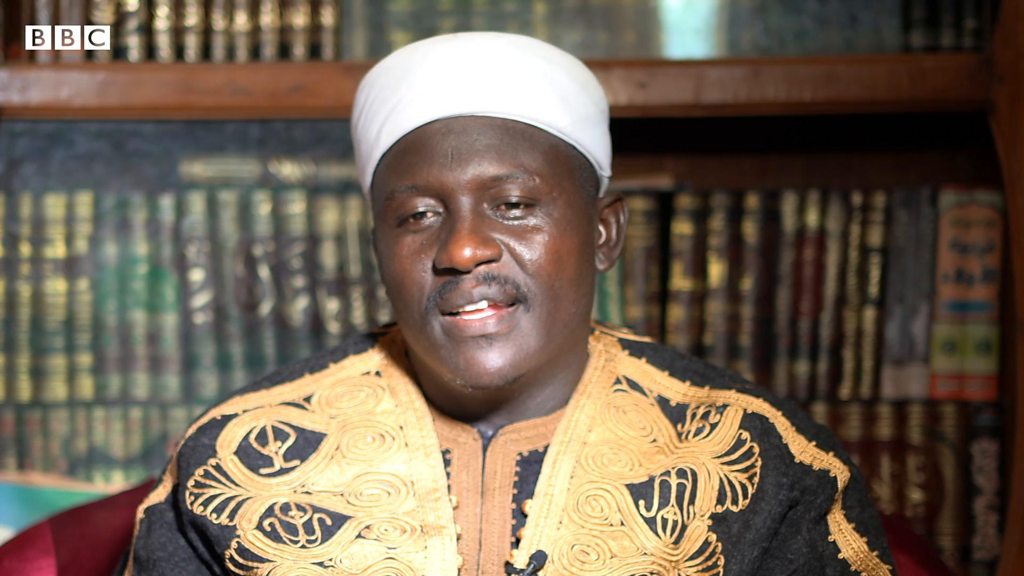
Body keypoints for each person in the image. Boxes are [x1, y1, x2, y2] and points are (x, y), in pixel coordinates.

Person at [123, 32, 893, 575]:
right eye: (417, 215)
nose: (462, 249)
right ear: (376, 247)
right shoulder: (233, 461)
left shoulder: (765, 464)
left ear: (603, 232)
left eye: (514, 206)